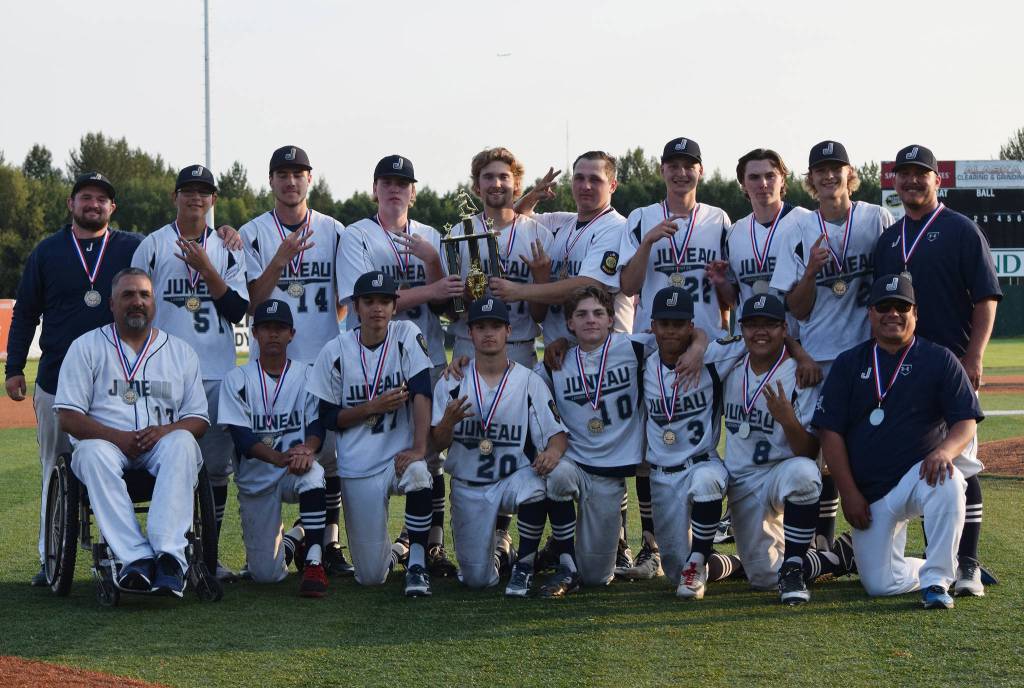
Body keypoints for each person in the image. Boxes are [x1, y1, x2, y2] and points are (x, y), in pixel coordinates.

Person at [498, 150, 638, 574]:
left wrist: (522, 292)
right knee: (561, 448)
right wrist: (531, 199)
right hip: (563, 353)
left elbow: (588, 285)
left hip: (605, 354)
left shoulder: (616, 227)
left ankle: (618, 542)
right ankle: (561, 546)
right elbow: (512, 221)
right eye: (579, 178)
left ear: (612, 185)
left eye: (595, 179)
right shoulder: (560, 222)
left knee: (607, 448)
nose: (585, 185)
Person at [872, 144, 1001, 596]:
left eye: (919, 174)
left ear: (936, 180)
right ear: (895, 183)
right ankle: (935, 561)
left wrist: (975, 356)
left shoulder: (961, 229)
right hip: (901, 370)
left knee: (959, 464)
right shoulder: (889, 239)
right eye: (903, 175)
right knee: (918, 467)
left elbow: (985, 298)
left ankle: (966, 564)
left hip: (949, 367)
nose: (911, 182)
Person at [5, 173, 141, 586]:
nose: (94, 204)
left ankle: (124, 550)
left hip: (115, 382)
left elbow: (179, 247)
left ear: (112, 208)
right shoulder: (47, 251)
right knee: (52, 466)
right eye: (86, 197)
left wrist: (224, 231)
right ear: (71, 203)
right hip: (56, 379)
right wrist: (13, 368)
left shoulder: (132, 247)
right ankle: (50, 559)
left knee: (115, 464)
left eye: (102, 199)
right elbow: (26, 311)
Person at [813, 275, 981, 609]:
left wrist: (945, 451)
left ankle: (936, 581)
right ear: (870, 313)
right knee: (879, 584)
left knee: (950, 480)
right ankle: (927, 567)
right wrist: (849, 493)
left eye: (902, 307)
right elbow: (829, 432)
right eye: (884, 306)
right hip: (870, 491)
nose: (893, 314)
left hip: (920, 476)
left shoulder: (939, 359)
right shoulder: (850, 363)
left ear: (915, 313)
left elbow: (966, 422)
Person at [335, 154, 463, 577]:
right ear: (375, 189)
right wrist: (430, 287)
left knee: (431, 456)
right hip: (376, 360)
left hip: (426, 355)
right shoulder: (357, 236)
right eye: (386, 182)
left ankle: (430, 545)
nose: (394, 189)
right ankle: (389, 539)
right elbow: (367, 306)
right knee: (384, 447)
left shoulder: (429, 235)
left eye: (402, 182)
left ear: (413, 191)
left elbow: (450, 301)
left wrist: (431, 262)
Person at [615, 136, 732, 580]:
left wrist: (707, 338)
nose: (681, 173)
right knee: (653, 439)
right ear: (662, 170)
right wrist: (647, 244)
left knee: (708, 437)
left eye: (690, 165)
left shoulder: (717, 219)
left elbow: (727, 295)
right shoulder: (642, 217)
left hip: (705, 349)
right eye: (673, 165)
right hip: (653, 340)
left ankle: (716, 517)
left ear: (700, 171)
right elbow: (627, 285)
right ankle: (652, 547)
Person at [52, 268, 209, 597]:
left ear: (154, 304)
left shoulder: (181, 353)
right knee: (91, 453)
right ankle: (135, 557)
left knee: (183, 441)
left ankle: (168, 557)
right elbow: (67, 416)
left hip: (160, 445)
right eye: (128, 295)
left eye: (144, 295)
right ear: (111, 303)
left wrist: (166, 430)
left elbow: (198, 419)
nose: (136, 302)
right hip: (107, 446)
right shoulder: (86, 347)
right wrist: (117, 437)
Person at [769, 141, 895, 550]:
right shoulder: (798, 228)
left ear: (849, 174)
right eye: (820, 170)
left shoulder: (876, 218)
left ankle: (876, 541)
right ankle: (816, 546)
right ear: (810, 180)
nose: (828, 176)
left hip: (867, 355)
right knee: (813, 456)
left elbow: (897, 287)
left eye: (835, 168)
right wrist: (810, 273)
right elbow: (795, 308)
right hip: (818, 359)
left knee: (871, 448)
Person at [132, 164, 250, 580]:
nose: (195, 198)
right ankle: (167, 553)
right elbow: (134, 309)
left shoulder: (227, 248)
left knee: (216, 468)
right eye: (188, 191)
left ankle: (209, 556)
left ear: (213, 200)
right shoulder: (152, 246)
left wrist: (207, 268)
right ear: (175, 197)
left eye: (203, 192)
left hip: (216, 370)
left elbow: (238, 310)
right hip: (163, 374)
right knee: (164, 462)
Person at [240, 145, 351, 575]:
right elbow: (249, 303)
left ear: (310, 178)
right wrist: (280, 260)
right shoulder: (252, 233)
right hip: (273, 366)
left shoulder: (335, 230)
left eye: (298, 173)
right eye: (282, 174)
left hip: (323, 361)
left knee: (329, 459)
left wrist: (322, 331)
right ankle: (286, 538)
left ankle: (329, 544)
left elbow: (342, 302)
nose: (290, 181)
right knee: (279, 447)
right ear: (270, 181)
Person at [308, 271, 436, 596]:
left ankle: (418, 562)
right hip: (358, 465)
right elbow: (327, 418)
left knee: (421, 473)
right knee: (370, 576)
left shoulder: (406, 334)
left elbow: (422, 391)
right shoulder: (335, 350)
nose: (377, 308)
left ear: (395, 307)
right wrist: (371, 407)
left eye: (384, 301)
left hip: (399, 457)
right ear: (356, 307)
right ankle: (400, 550)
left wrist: (419, 448)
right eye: (369, 301)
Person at [431, 297, 568, 594]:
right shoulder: (452, 381)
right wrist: (447, 423)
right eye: (481, 327)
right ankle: (504, 553)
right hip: (468, 484)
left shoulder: (528, 380)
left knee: (540, 484)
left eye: (495, 326)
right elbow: (436, 444)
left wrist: (553, 453)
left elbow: (557, 435)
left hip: (511, 479)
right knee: (477, 581)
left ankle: (525, 565)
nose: (488, 333)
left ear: (508, 331)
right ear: (470, 333)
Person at [536, 285, 647, 596]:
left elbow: (681, 339)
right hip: (575, 461)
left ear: (611, 319)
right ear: (570, 323)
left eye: (598, 313)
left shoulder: (635, 347)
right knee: (556, 474)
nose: (590, 320)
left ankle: (579, 560)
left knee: (597, 577)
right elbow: (516, 381)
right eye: (581, 314)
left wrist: (697, 345)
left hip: (609, 476)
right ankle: (566, 563)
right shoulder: (557, 360)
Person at [642, 286, 749, 599]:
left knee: (707, 481)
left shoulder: (714, 355)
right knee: (676, 571)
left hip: (701, 461)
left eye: (679, 324)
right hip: (661, 474)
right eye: (664, 324)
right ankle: (729, 564)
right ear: (652, 326)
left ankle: (699, 558)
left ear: (690, 325)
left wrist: (701, 344)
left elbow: (762, 337)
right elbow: (595, 342)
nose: (671, 331)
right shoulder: (641, 356)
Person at [218, 299, 329, 597]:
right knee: (267, 577)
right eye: (266, 328)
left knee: (315, 472)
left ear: (291, 334)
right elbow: (242, 438)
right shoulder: (237, 379)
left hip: (295, 469)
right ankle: (293, 540)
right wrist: (280, 458)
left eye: (280, 328)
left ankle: (315, 560)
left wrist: (308, 449)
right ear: (254, 333)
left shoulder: (306, 374)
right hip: (257, 480)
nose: (273, 335)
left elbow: (317, 426)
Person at [722, 294, 827, 605]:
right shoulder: (729, 365)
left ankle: (794, 566)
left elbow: (808, 452)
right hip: (742, 481)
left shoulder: (800, 374)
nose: (760, 332)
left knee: (805, 474)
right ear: (741, 329)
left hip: (780, 472)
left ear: (784, 329)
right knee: (765, 579)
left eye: (768, 324)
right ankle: (836, 558)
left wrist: (788, 419)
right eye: (752, 325)